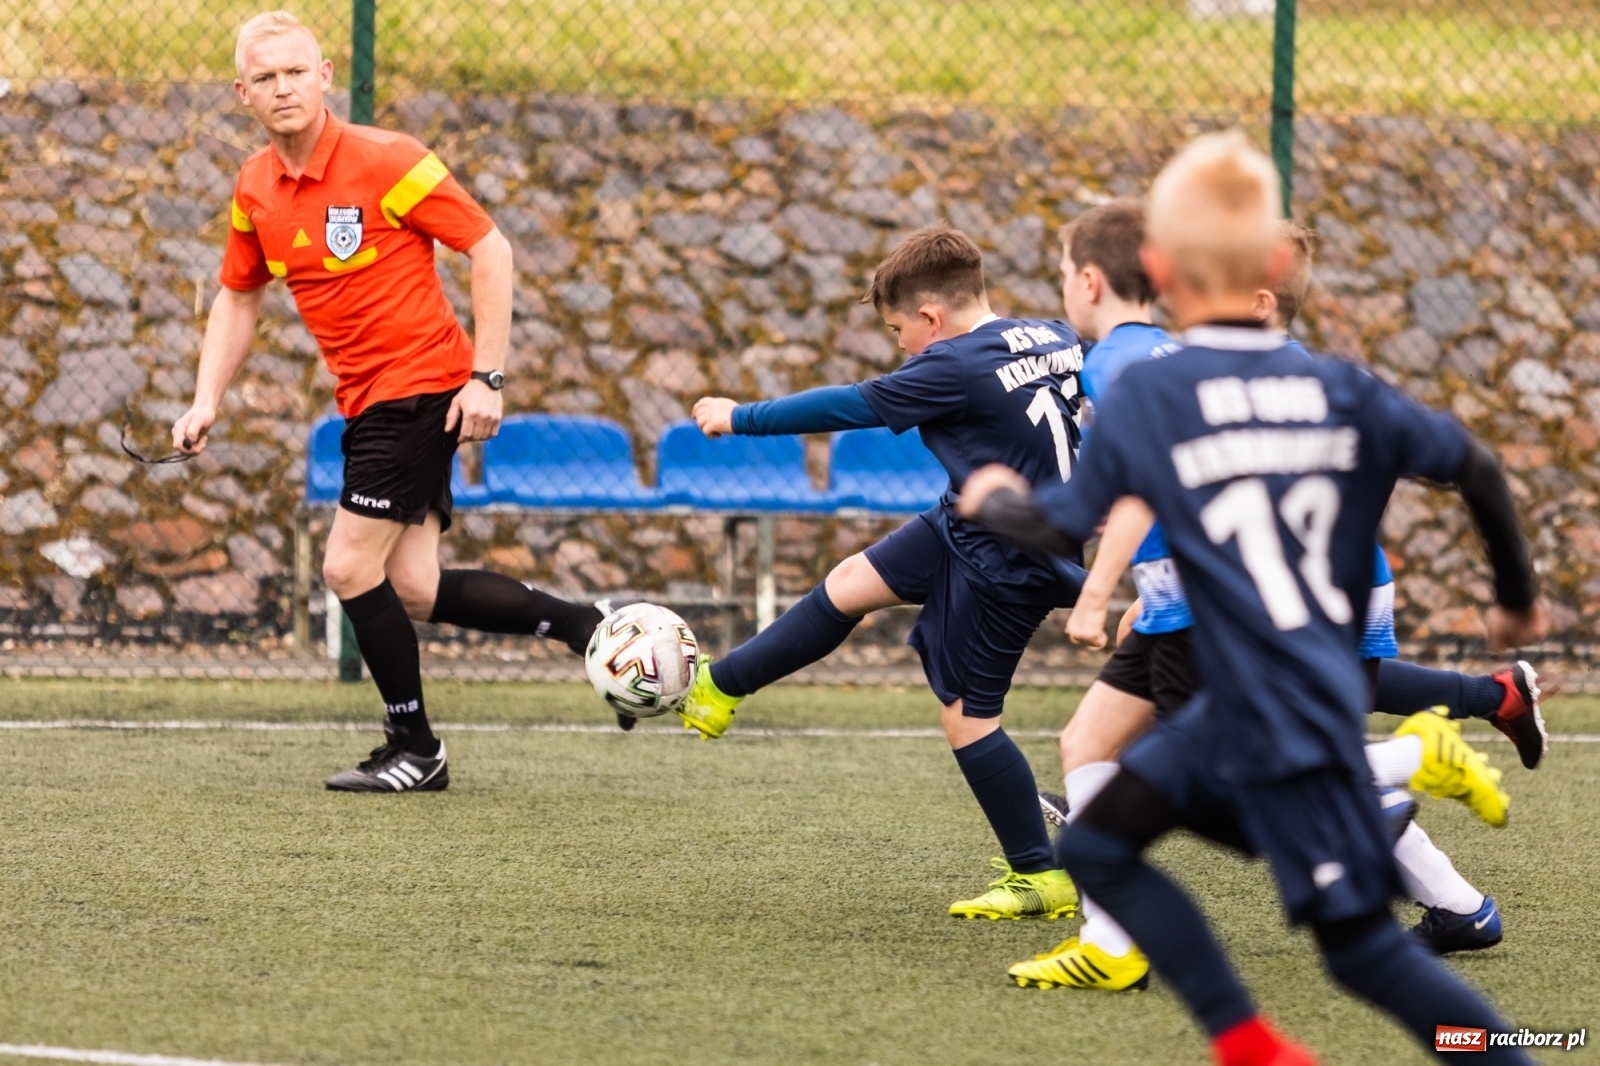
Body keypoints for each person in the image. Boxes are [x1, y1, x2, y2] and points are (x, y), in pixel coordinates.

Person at [959, 130, 1546, 1064]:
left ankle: (1401, 768)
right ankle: (1267, 1038)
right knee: (1355, 950)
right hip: (1313, 687)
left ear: (1158, 270)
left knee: (1107, 846)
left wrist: (996, 498)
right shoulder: (1338, 386)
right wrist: (1515, 598)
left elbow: (1061, 520)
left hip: (1240, 701)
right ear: (1273, 266)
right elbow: (1473, 466)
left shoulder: (1153, 396)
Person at [173, 11, 612, 792]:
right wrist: (206, 399)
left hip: (418, 387)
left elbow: (490, 248)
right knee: (413, 586)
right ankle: (585, 625)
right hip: (368, 402)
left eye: (297, 72)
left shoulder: (389, 159)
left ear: (325, 77)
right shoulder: (253, 187)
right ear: (243, 93)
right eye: (266, 77)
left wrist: (488, 377)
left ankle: (415, 747)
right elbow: (238, 295)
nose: (284, 88)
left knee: (347, 566)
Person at [686, 224, 1086, 919]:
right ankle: (719, 686)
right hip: (970, 519)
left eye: (899, 330)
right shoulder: (1050, 334)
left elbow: (850, 404)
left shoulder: (951, 364)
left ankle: (1038, 873)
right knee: (850, 585)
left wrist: (738, 416)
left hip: (1005, 560)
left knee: (968, 719)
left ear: (931, 317)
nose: (900, 346)